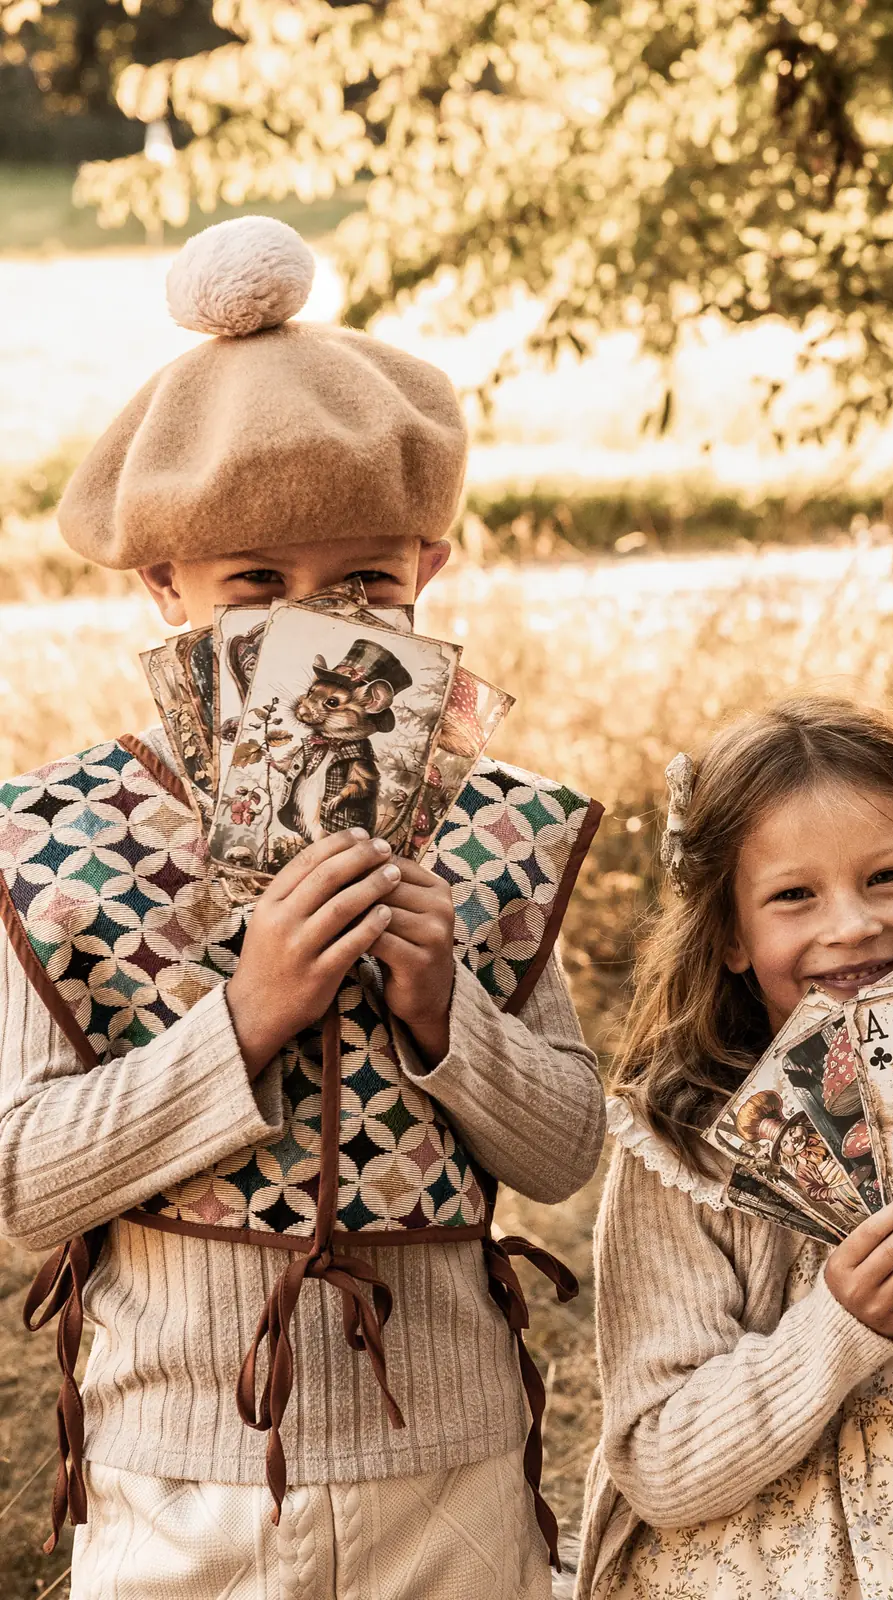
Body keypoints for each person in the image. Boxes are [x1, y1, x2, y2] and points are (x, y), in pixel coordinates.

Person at [0, 216, 606, 1600]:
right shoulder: (58, 840)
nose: (309, 625)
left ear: (427, 573)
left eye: (361, 584)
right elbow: (25, 1183)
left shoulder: (486, 825)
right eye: (254, 585)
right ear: (164, 586)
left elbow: (566, 1146)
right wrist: (243, 1019)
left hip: (449, 1474)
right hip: (180, 1480)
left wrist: (447, 1013)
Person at [577, 695, 893, 1600]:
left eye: (886, 877)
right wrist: (838, 1327)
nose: (849, 925)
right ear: (730, 935)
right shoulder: (676, 1151)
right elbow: (659, 1466)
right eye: (793, 895)